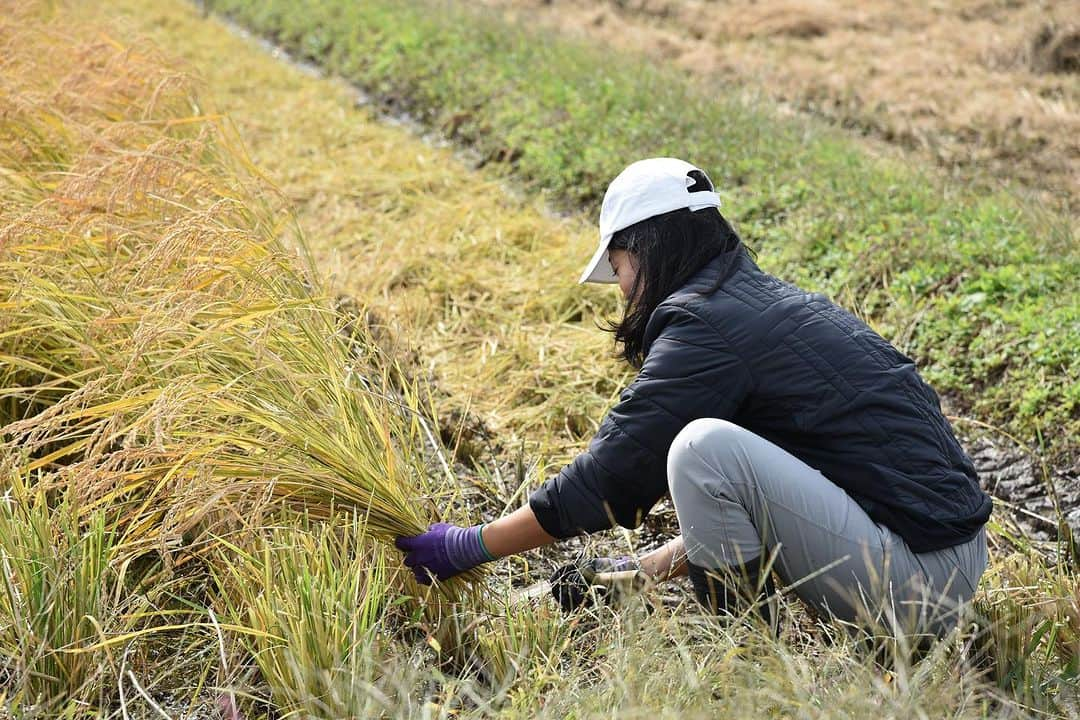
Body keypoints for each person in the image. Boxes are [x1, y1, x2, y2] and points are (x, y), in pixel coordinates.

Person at [395, 158, 991, 637]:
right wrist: (641, 572)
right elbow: (791, 485)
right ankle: (730, 625)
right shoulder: (760, 306)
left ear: (648, 249)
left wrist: (472, 545)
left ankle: (747, 657)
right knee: (720, 453)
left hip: (914, 582)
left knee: (702, 449)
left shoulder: (706, 327)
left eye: (619, 265)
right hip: (954, 562)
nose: (621, 287)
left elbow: (613, 475)